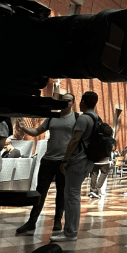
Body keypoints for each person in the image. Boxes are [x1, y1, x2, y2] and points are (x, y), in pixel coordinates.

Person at [16, 93, 77, 234]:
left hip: (64, 161)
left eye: (68, 101)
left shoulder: (76, 119)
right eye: (63, 100)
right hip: (48, 160)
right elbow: (37, 131)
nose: (65, 103)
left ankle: (57, 221)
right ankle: (32, 222)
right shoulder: (52, 117)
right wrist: (24, 128)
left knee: (61, 193)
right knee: (40, 192)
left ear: (73, 103)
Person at [50, 91, 99, 242]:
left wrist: (65, 160)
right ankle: (71, 231)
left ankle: (70, 232)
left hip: (77, 161)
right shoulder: (97, 118)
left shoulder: (83, 118)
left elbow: (74, 140)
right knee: (74, 195)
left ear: (83, 102)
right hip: (89, 162)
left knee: (71, 196)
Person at [88, 124, 115, 199]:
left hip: (95, 160)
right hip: (105, 160)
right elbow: (113, 148)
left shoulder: (95, 138)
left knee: (94, 174)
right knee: (103, 174)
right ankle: (96, 190)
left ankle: (92, 190)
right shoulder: (111, 139)